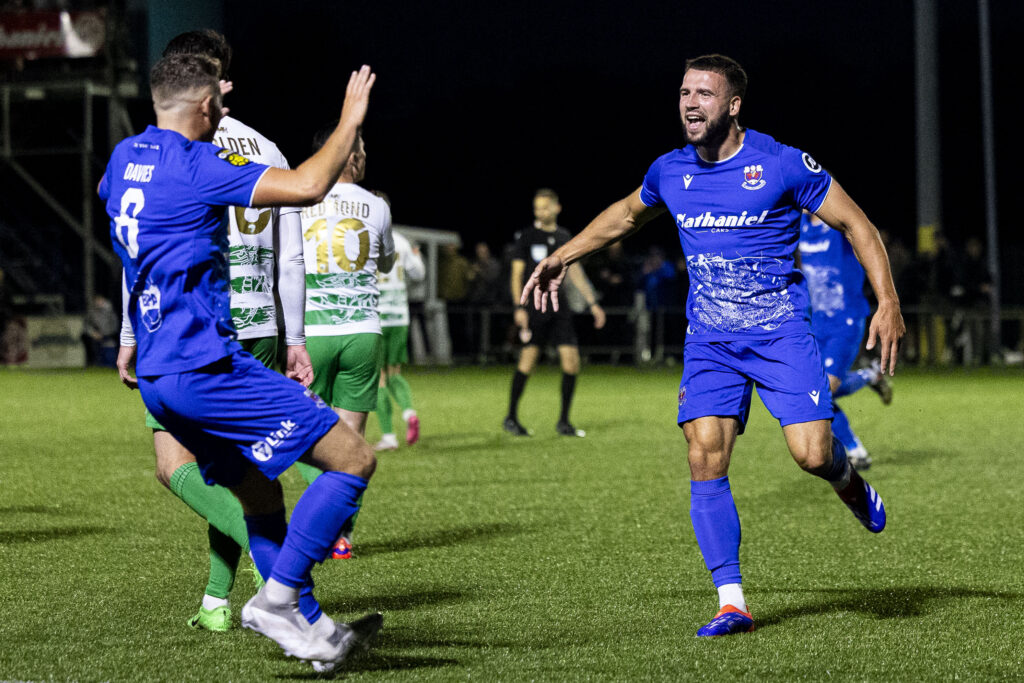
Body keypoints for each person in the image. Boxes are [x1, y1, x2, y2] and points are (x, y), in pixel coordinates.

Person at [521, 54, 905, 637]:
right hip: (710, 339)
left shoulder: (781, 163)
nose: (690, 103)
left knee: (810, 453)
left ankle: (848, 483)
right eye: (683, 92)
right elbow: (625, 217)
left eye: (704, 93)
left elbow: (859, 226)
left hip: (779, 332)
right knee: (704, 453)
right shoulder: (669, 170)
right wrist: (563, 255)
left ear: (733, 105)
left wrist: (888, 302)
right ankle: (732, 601)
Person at [102, 51, 382, 670]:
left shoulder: (124, 159)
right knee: (352, 458)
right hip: (207, 368)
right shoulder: (197, 164)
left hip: (157, 376)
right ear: (206, 106)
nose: (224, 113)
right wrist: (349, 120)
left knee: (258, 492)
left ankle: (307, 625)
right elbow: (309, 185)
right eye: (219, 105)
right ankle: (278, 599)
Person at [115, 29, 311, 635]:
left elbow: (145, 251)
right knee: (233, 468)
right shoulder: (263, 146)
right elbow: (290, 255)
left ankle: (272, 568)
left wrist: (129, 330)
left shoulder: (160, 152)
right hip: (260, 322)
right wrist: (294, 336)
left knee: (174, 462)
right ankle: (215, 600)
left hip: (190, 326)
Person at [294, 129, 395, 561]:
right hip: (362, 332)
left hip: (310, 330)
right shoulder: (377, 205)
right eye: (363, 151)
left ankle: (312, 524)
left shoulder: (299, 197)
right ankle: (340, 537)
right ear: (349, 157)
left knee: (298, 434)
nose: (366, 156)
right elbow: (387, 261)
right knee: (350, 443)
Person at [504, 188, 606, 437]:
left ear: (557, 208)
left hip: (559, 308)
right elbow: (517, 275)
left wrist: (592, 303)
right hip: (535, 309)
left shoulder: (564, 236)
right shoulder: (526, 237)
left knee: (572, 362)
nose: (540, 211)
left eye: (545, 207)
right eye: (537, 207)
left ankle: (564, 422)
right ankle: (511, 417)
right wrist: (519, 307)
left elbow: (576, 272)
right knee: (527, 362)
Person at [800, 211, 893, 470]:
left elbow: (868, 233)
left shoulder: (837, 224)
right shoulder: (800, 225)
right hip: (815, 322)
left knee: (823, 391)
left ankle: (856, 451)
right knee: (814, 394)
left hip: (846, 320)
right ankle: (868, 376)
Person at [374, 229, 426, 451]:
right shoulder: (402, 241)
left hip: (374, 316)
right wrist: (417, 255)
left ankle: (389, 436)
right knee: (395, 372)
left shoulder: (361, 234)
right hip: (399, 316)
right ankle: (409, 413)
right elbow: (418, 274)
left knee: (378, 378)